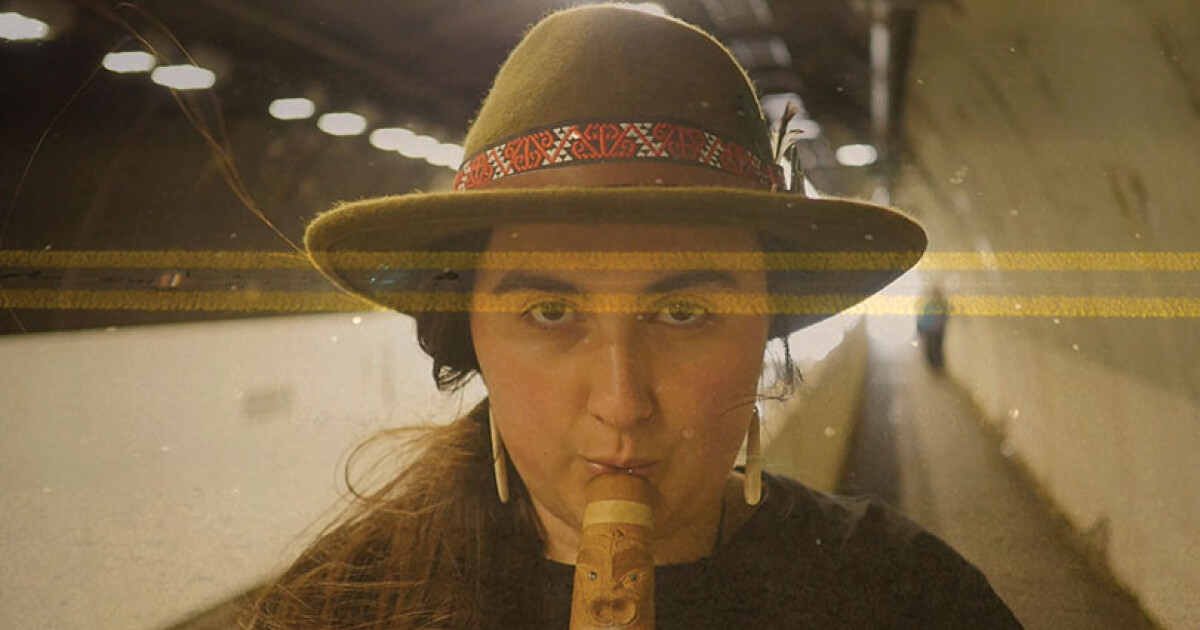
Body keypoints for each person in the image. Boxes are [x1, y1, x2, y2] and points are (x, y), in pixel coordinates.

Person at [241, 6, 1021, 628]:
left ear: (767, 329)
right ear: (468, 334)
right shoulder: (337, 610)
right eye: (550, 311)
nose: (621, 402)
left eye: (683, 312)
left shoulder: (909, 599)